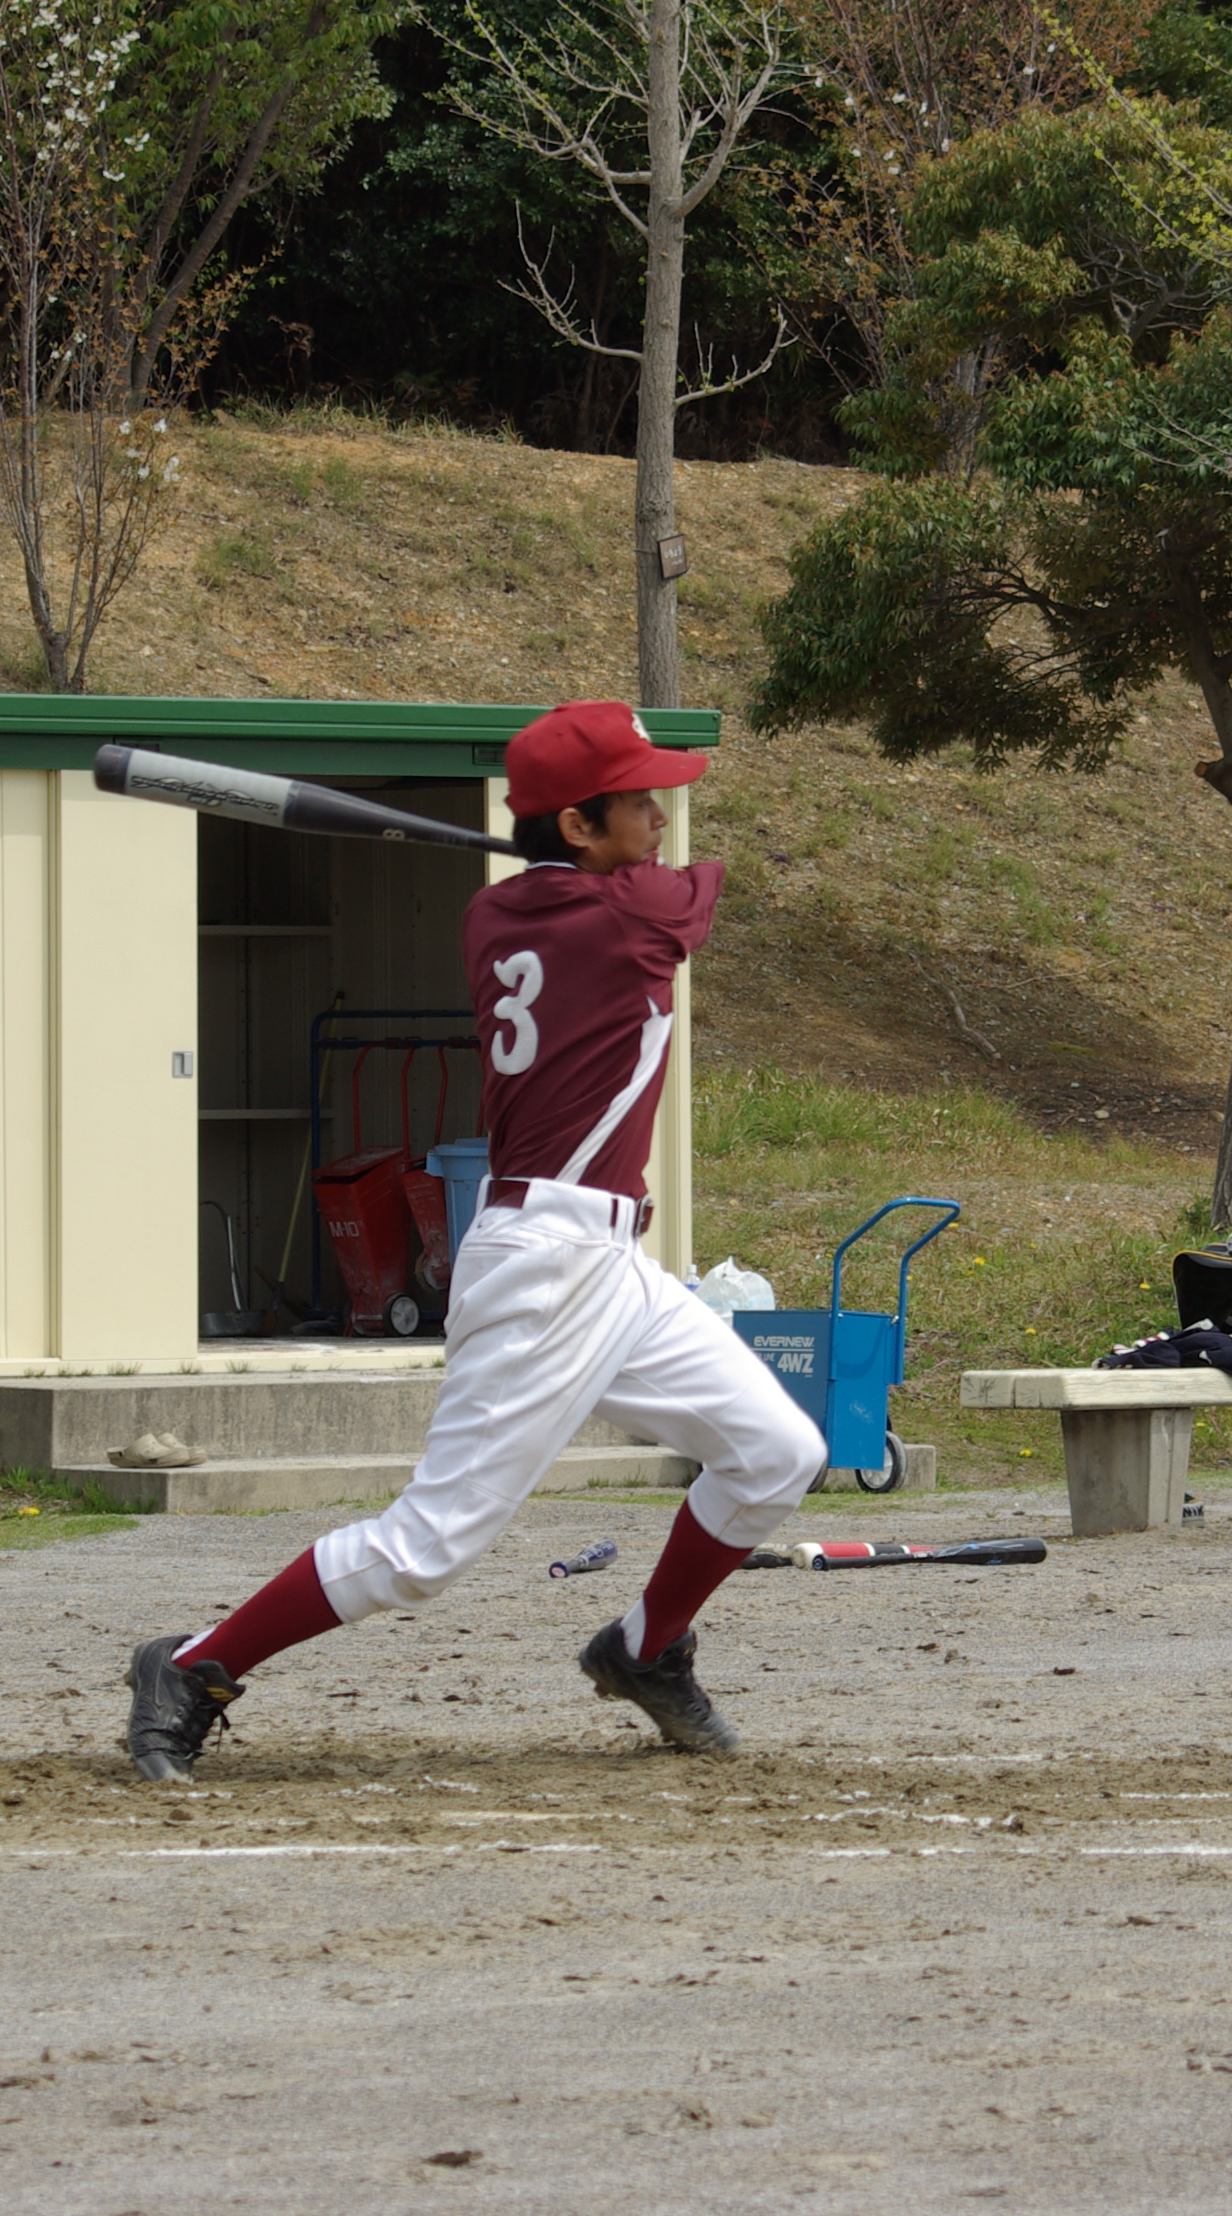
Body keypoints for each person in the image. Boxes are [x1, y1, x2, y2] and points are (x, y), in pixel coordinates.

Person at [125, 701, 827, 1773]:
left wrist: (574, 856)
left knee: (778, 1452)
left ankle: (645, 1649)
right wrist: (607, 868)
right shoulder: (622, 918)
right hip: (545, 1266)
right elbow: (699, 890)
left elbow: (615, 885)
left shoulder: (494, 913)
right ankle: (193, 1666)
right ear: (577, 827)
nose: (659, 820)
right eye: (638, 804)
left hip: (608, 1264)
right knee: (426, 1549)